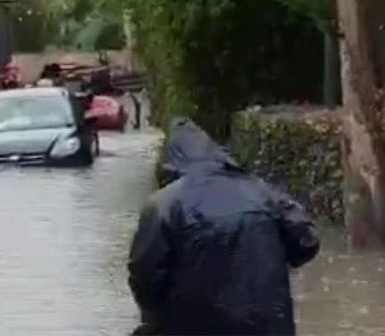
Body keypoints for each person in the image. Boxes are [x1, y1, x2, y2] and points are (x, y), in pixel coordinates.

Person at [128, 118, 319, 336]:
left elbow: (145, 276)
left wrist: (157, 318)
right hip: (268, 325)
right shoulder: (260, 191)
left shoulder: (164, 204)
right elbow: (306, 241)